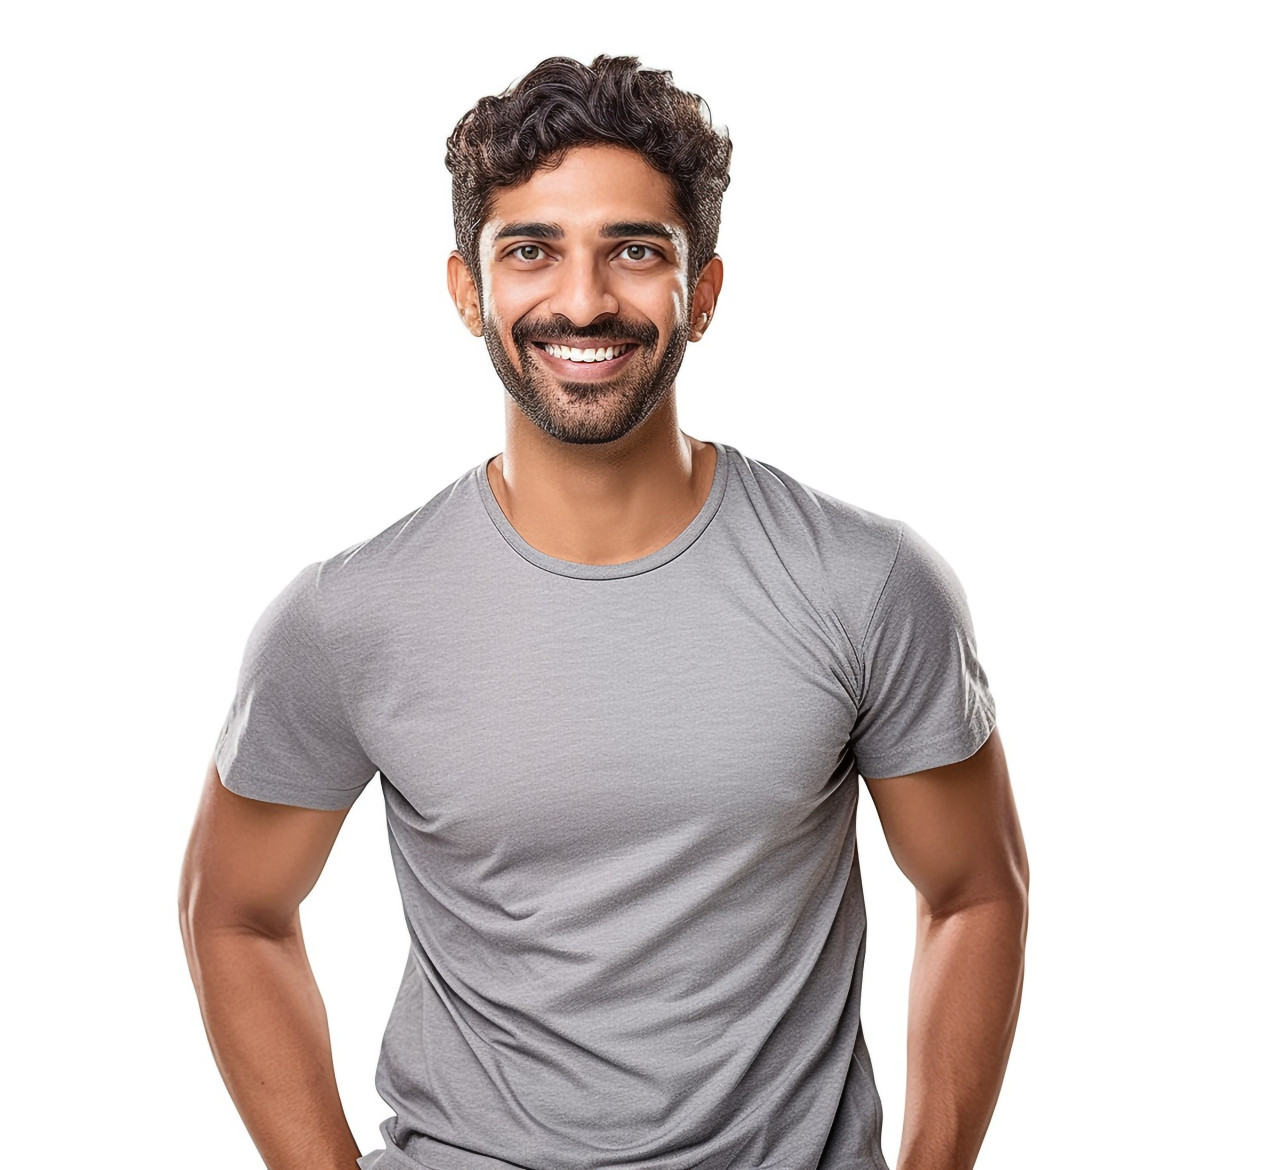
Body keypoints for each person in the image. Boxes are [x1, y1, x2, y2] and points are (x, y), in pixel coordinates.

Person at [179, 54, 1029, 1170]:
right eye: (530, 250)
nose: (581, 301)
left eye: (634, 250)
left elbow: (974, 892)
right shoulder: (349, 617)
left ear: (702, 294)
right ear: (467, 290)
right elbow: (233, 911)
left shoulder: (863, 582)